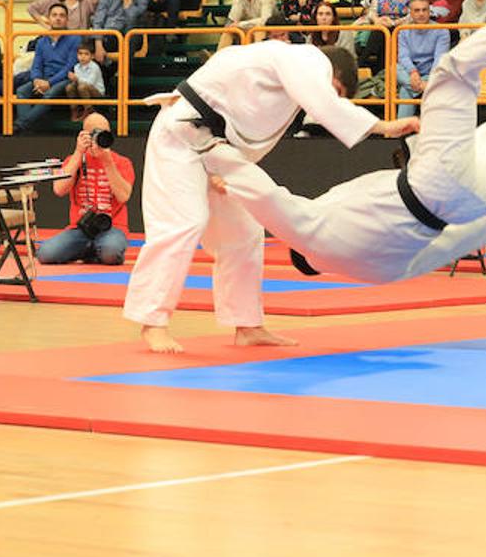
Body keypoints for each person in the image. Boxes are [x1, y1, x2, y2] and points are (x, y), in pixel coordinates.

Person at [205, 0, 486, 288]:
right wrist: (232, 182)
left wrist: (472, 225)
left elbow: (445, 247)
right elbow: (274, 203)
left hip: (462, 206)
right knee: (450, 73)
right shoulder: (310, 234)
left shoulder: (379, 274)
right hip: (430, 187)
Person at [124, 37, 421, 355]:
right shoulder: (305, 58)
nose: (326, 103)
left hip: (217, 147)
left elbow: (251, 124)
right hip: (181, 135)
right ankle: (152, 322)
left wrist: (228, 173)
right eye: (336, 94)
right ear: (332, 74)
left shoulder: (285, 77)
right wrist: (382, 127)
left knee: (245, 231)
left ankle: (247, 324)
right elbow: (324, 102)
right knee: (183, 222)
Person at [35, 113, 136, 266]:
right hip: (80, 227)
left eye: (104, 133)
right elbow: (59, 189)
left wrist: (107, 162)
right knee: (45, 253)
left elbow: (123, 196)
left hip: (112, 226)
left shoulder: (122, 162)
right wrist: (78, 152)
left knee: (111, 252)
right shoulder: (73, 160)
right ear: (84, 135)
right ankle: (91, 250)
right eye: (95, 133)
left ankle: (92, 250)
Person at [14, 2, 78, 132]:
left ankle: (21, 125)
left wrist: (49, 83)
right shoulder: (42, 41)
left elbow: (69, 67)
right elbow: (36, 64)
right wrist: (37, 79)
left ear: (67, 19)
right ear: (49, 19)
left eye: (62, 15)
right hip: (43, 78)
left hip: (64, 78)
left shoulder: (75, 38)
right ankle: (26, 125)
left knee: (50, 93)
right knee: (21, 91)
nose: (58, 18)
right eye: (54, 15)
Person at [395, 0, 450, 118]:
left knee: (405, 91)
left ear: (429, 12)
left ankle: (400, 131)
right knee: (393, 68)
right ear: (411, 13)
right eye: (417, 10)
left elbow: (439, 59)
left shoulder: (441, 30)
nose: (421, 14)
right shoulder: (403, 30)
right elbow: (403, 56)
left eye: (424, 10)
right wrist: (413, 72)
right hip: (411, 74)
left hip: (432, 73)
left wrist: (429, 79)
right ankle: (427, 88)